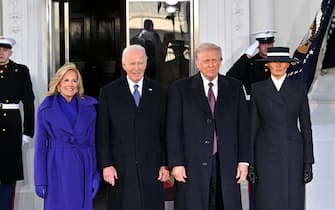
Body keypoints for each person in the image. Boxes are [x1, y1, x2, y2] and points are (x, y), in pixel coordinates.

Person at [166, 42, 250, 210]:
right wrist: (176, 163)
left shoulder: (234, 87)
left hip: (226, 162)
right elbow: (172, 130)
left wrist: (244, 161)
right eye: (206, 61)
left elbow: (244, 127)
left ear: (221, 61)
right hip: (192, 163)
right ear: (197, 62)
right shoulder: (180, 89)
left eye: (215, 60)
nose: (211, 64)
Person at [96, 44, 170, 210]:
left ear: (146, 63)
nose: (136, 68)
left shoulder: (160, 92)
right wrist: (106, 165)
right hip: (120, 165)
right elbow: (103, 133)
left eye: (140, 63)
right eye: (132, 63)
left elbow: (166, 132)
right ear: (123, 65)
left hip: (152, 165)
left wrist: (166, 164)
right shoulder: (108, 92)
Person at [248, 47, 314, 210]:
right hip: (264, 154)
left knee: (292, 200)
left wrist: (308, 161)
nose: (278, 65)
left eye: (283, 62)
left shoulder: (299, 88)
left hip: (293, 154)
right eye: (274, 61)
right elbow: (252, 127)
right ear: (268, 64)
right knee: (266, 200)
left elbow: (306, 127)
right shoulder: (257, 89)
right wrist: (250, 162)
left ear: (288, 65)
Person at [34, 63, 100, 210]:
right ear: (58, 84)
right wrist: (40, 180)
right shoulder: (46, 109)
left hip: (84, 165)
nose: (70, 84)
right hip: (56, 167)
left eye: (74, 80)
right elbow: (40, 147)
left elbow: (92, 143)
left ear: (79, 84)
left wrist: (95, 174)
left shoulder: (89, 108)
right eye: (66, 80)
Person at [0, 36, 35, 210]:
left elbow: (29, 103)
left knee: (8, 178)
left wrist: (28, 132)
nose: (1, 53)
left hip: (11, 128)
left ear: (10, 52)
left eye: (5, 49)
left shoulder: (20, 71)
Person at [227, 30, 276, 95]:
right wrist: (246, 56)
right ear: (258, 45)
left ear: (273, 44)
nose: (267, 47)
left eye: (269, 43)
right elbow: (230, 77)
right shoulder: (250, 63)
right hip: (255, 103)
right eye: (263, 43)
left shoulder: (280, 62)